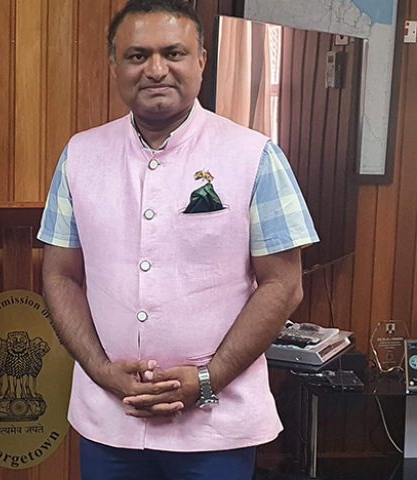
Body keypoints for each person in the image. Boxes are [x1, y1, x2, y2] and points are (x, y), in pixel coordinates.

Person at [38, 1, 319, 479]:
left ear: (201, 62)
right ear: (113, 65)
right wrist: (102, 371)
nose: (155, 70)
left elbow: (283, 285)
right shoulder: (80, 155)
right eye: (136, 56)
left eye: (173, 53)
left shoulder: (254, 155)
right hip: (110, 419)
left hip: (217, 424)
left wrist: (209, 380)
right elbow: (60, 275)